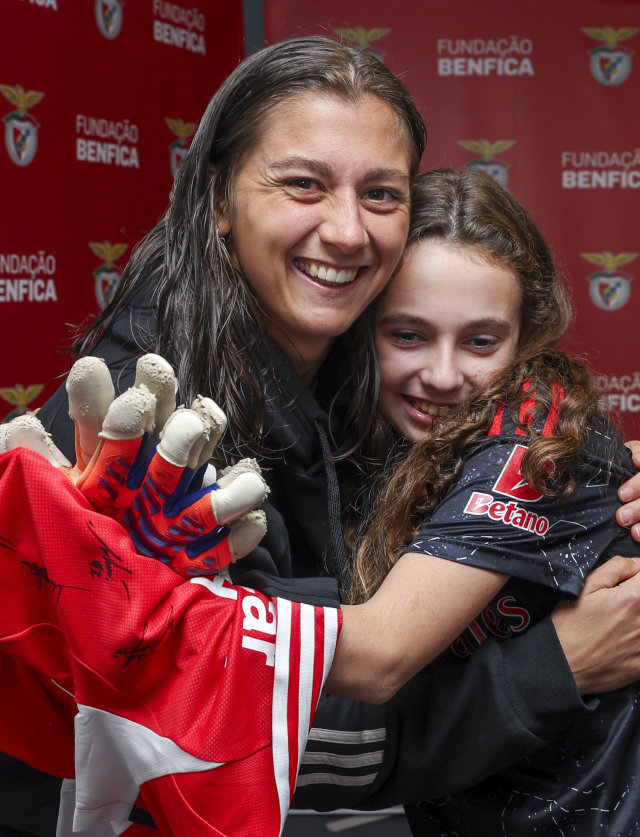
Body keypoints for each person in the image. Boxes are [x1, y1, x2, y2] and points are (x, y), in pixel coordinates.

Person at [7, 35, 640, 834]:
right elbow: (252, 734)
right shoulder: (150, 417)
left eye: (381, 193)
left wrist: (600, 476)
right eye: (303, 183)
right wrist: (557, 665)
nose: (347, 230)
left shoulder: (350, 368)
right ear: (218, 199)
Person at [339, 167, 638, 834]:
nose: (442, 376)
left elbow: (378, 653)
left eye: (480, 341)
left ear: (526, 335)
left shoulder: (535, 439)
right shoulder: (379, 440)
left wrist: (174, 614)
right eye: (407, 334)